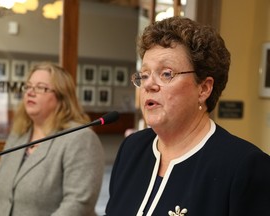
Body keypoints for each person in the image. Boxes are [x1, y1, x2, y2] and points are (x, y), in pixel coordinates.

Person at [105, 16, 270, 216]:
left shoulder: (244, 167)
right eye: (145, 74)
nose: (149, 85)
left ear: (204, 88)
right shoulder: (132, 149)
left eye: (166, 73)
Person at [0, 62, 104, 216]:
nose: (30, 93)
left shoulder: (80, 138)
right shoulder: (18, 135)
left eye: (41, 88)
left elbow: (78, 204)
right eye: (28, 87)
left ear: (62, 97)